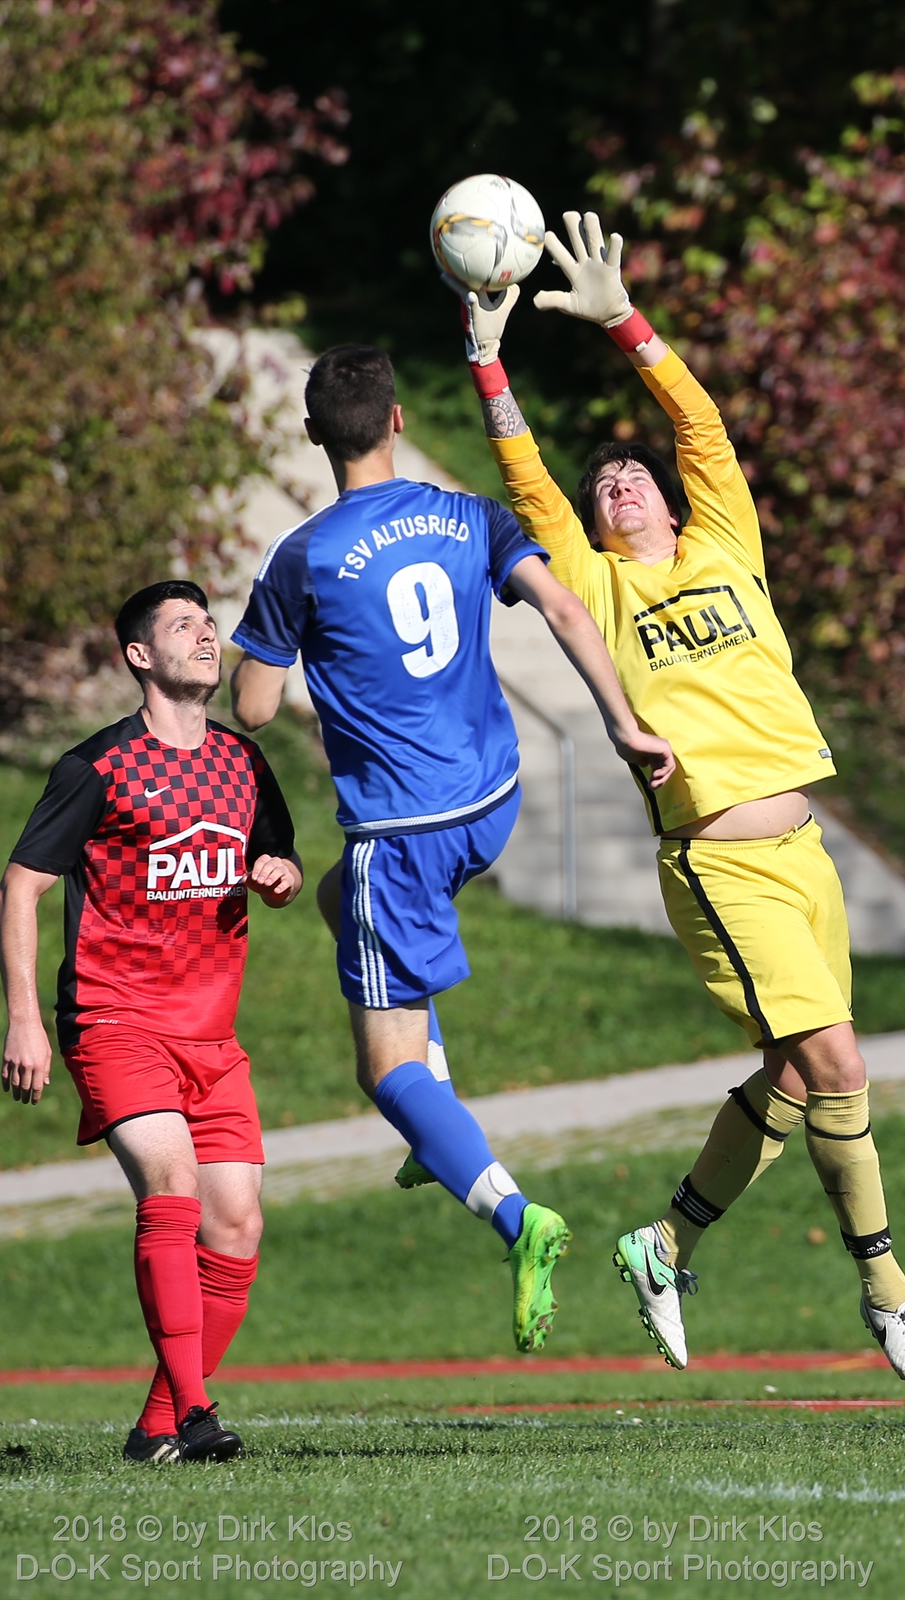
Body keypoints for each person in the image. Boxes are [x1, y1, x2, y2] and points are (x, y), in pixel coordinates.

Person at [451, 212, 905, 1396]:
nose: (619, 481)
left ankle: (664, 1245)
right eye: (602, 483)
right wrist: (486, 361)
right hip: (719, 864)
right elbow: (527, 481)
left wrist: (626, 320)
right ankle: (887, 1293)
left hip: (806, 852)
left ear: (670, 500)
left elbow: (703, 430)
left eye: (632, 472)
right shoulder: (595, 585)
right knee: (835, 1059)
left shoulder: (725, 545)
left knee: (801, 1077)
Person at [229, 344, 673, 1353]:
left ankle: (517, 1216)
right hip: (493, 802)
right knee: (341, 902)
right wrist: (621, 724)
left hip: (402, 831)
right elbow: (563, 605)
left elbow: (251, 707)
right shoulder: (469, 513)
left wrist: (278, 640)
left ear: (313, 434)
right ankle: (436, 1124)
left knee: (382, 1070)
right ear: (397, 420)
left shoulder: (303, 554)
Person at [0, 580, 303, 1463]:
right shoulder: (97, 767)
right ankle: (198, 1413)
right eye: (183, 627)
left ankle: (158, 1428)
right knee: (172, 1186)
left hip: (213, 1035)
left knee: (236, 1224)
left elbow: (276, 856)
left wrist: (279, 875)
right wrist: (25, 1020)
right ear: (140, 655)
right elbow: (20, 886)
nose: (207, 637)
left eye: (209, 624)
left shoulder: (243, 763)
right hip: (116, 1018)